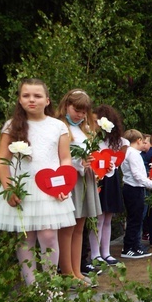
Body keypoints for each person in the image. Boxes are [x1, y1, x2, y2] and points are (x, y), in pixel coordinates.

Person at [0, 78, 76, 285]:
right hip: (22, 188)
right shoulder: (11, 126)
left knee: (48, 236)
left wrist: (65, 186)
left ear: (47, 100)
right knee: (25, 237)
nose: (32, 100)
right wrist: (8, 188)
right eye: (26, 95)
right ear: (19, 100)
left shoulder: (58, 126)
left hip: (51, 188)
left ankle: (50, 283)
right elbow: (3, 160)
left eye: (37, 96)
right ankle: (32, 287)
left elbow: (65, 158)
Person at [56, 89, 102, 287]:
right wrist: (78, 164)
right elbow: (58, 157)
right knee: (67, 227)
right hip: (70, 179)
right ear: (66, 105)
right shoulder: (60, 127)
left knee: (79, 227)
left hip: (85, 178)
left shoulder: (85, 130)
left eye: (84, 112)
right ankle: (66, 272)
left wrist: (98, 164)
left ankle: (77, 271)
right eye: (77, 109)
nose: (80, 115)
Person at [87, 105, 128, 271]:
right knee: (97, 218)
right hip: (97, 178)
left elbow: (120, 157)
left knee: (108, 217)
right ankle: (95, 253)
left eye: (98, 120)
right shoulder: (91, 139)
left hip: (111, 179)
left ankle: (106, 252)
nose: (95, 124)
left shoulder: (117, 141)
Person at [120, 129, 152, 258]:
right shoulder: (133, 154)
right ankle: (129, 247)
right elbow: (137, 174)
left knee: (136, 219)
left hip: (133, 187)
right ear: (138, 140)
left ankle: (134, 245)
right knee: (134, 219)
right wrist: (151, 184)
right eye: (143, 141)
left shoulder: (128, 152)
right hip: (134, 188)